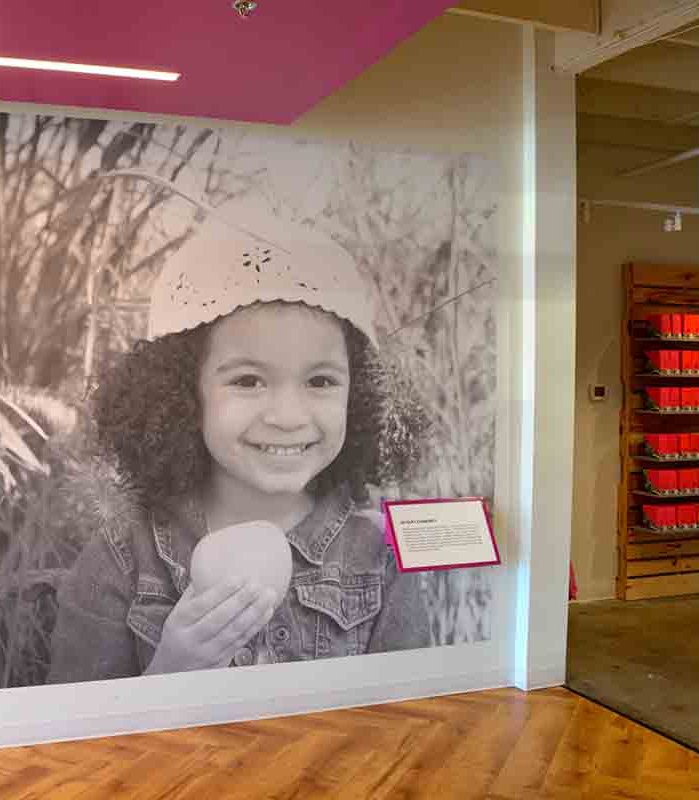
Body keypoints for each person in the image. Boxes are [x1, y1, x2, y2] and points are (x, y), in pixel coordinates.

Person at [48, 206, 433, 683]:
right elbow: (81, 739)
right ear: (181, 393)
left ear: (360, 392)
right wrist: (171, 671)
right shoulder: (120, 560)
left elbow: (410, 723)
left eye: (320, 380)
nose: (288, 417)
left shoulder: (381, 557)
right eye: (249, 380)